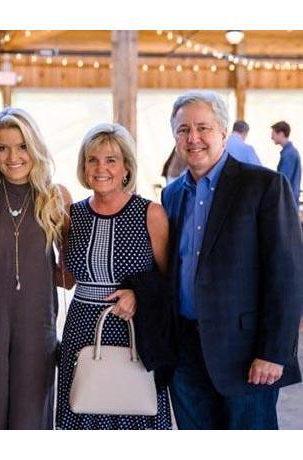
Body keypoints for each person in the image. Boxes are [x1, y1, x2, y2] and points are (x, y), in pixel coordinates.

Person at [162, 90, 303, 430]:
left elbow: (287, 275)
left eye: (203, 128)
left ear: (223, 132)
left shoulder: (265, 186)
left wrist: (274, 352)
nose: (193, 138)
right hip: (185, 353)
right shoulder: (171, 194)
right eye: (183, 130)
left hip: (247, 353)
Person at [56, 122, 172, 430]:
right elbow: (65, 279)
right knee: (83, 409)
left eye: (111, 160)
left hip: (132, 328)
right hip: (80, 327)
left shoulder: (151, 213)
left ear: (126, 168)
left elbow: (170, 281)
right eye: (92, 159)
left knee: (133, 410)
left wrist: (139, 294)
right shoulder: (72, 215)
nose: (100, 168)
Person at [0, 107, 72, 430]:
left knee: (30, 418)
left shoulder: (56, 196)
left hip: (36, 323)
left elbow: (68, 276)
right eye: (3, 148)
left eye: (22, 146)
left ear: (34, 147)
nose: (13, 156)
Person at [271, 120, 301, 207]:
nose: (272, 137)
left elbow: (283, 180)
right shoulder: (290, 152)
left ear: (281, 134)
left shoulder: (289, 154)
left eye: (273, 134)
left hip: (288, 203)